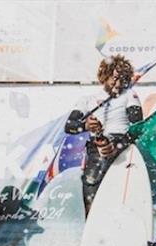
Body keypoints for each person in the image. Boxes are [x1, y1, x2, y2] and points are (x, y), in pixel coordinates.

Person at [64, 55, 143, 215]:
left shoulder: (129, 95)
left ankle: (106, 145)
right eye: (115, 78)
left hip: (122, 143)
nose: (118, 83)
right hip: (97, 146)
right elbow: (69, 126)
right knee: (91, 182)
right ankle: (92, 222)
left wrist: (127, 92)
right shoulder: (87, 100)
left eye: (122, 79)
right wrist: (85, 125)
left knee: (110, 141)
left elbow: (137, 123)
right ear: (105, 75)